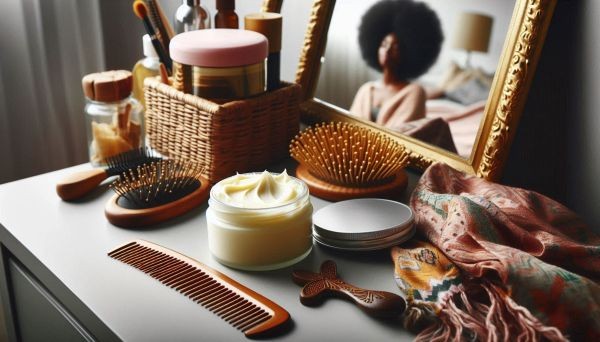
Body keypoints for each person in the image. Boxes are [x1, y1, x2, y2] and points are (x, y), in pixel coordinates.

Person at [350, 0, 443, 131]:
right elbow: (348, 127)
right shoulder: (366, 90)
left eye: (395, 47)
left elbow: (403, 136)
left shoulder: (415, 92)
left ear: (409, 52)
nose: (387, 50)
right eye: (384, 44)